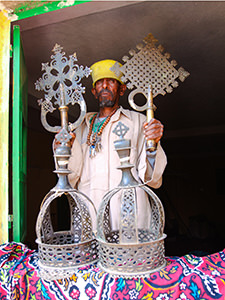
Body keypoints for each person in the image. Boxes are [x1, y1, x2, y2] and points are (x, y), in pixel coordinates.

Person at [66, 59, 167, 229]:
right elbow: (71, 176)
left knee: (129, 252)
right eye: (100, 83)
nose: (105, 86)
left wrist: (153, 144)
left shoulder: (139, 122)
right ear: (93, 91)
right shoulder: (80, 127)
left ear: (121, 89)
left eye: (111, 81)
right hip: (91, 208)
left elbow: (152, 178)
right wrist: (62, 149)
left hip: (129, 211)